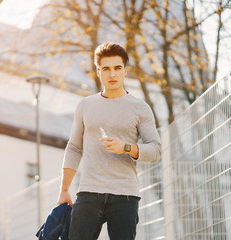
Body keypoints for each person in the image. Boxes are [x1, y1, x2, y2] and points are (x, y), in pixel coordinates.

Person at [57, 42, 162, 240]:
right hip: (89, 191)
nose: (112, 74)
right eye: (106, 69)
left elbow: (156, 150)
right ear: (98, 71)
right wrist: (64, 190)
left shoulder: (140, 108)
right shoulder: (85, 105)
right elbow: (74, 147)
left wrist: (126, 147)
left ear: (125, 70)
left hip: (125, 195)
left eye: (117, 68)